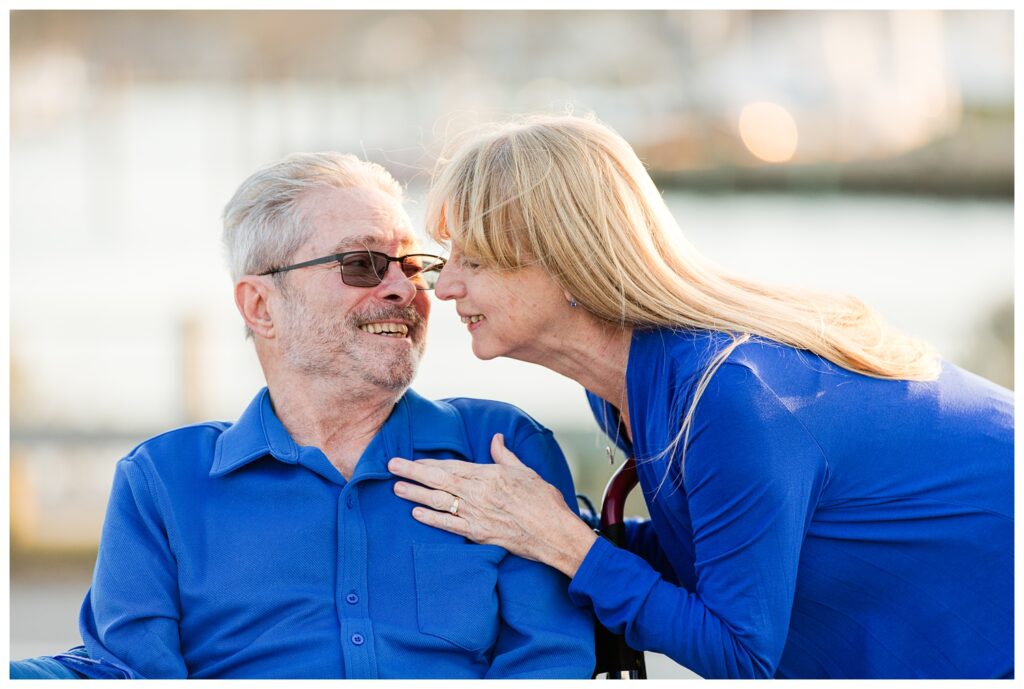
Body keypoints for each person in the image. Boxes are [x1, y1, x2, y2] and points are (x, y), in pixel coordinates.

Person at [387, 114, 1014, 679]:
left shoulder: (729, 395)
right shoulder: (622, 390)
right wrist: (543, 528)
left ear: (565, 261)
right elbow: (721, 546)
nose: (445, 291)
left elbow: (740, 654)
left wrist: (566, 544)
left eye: (475, 260)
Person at [10, 152, 594, 679]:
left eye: (412, 266)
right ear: (260, 305)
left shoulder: (501, 447)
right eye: (363, 264)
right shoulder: (161, 481)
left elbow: (550, 662)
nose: (405, 289)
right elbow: (135, 674)